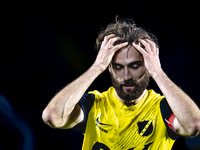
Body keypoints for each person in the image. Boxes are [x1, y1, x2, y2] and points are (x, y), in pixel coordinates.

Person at [42, 18, 200, 150]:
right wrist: (96, 67)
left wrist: (158, 73)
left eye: (134, 66)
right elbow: (52, 116)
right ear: (109, 68)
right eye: (118, 67)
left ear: (147, 66)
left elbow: (194, 125)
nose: (126, 76)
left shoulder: (162, 109)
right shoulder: (93, 105)